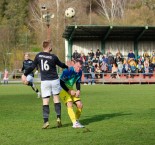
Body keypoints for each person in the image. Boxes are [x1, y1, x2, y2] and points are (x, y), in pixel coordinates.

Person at [21, 40, 68, 129]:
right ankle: (58, 118)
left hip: (45, 81)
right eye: (51, 46)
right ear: (49, 47)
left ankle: (46, 122)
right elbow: (61, 65)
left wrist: (24, 74)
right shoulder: (53, 57)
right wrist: (67, 67)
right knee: (56, 99)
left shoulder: (38, 55)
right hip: (54, 80)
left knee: (45, 101)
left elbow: (32, 67)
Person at [59, 59, 84, 128]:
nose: (79, 69)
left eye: (80, 67)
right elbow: (61, 82)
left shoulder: (80, 72)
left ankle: (76, 120)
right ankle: (74, 123)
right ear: (74, 64)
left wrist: (78, 90)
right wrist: (69, 91)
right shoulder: (68, 71)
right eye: (78, 66)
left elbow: (78, 82)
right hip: (62, 89)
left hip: (70, 88)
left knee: (80, 105)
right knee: (69, 103)